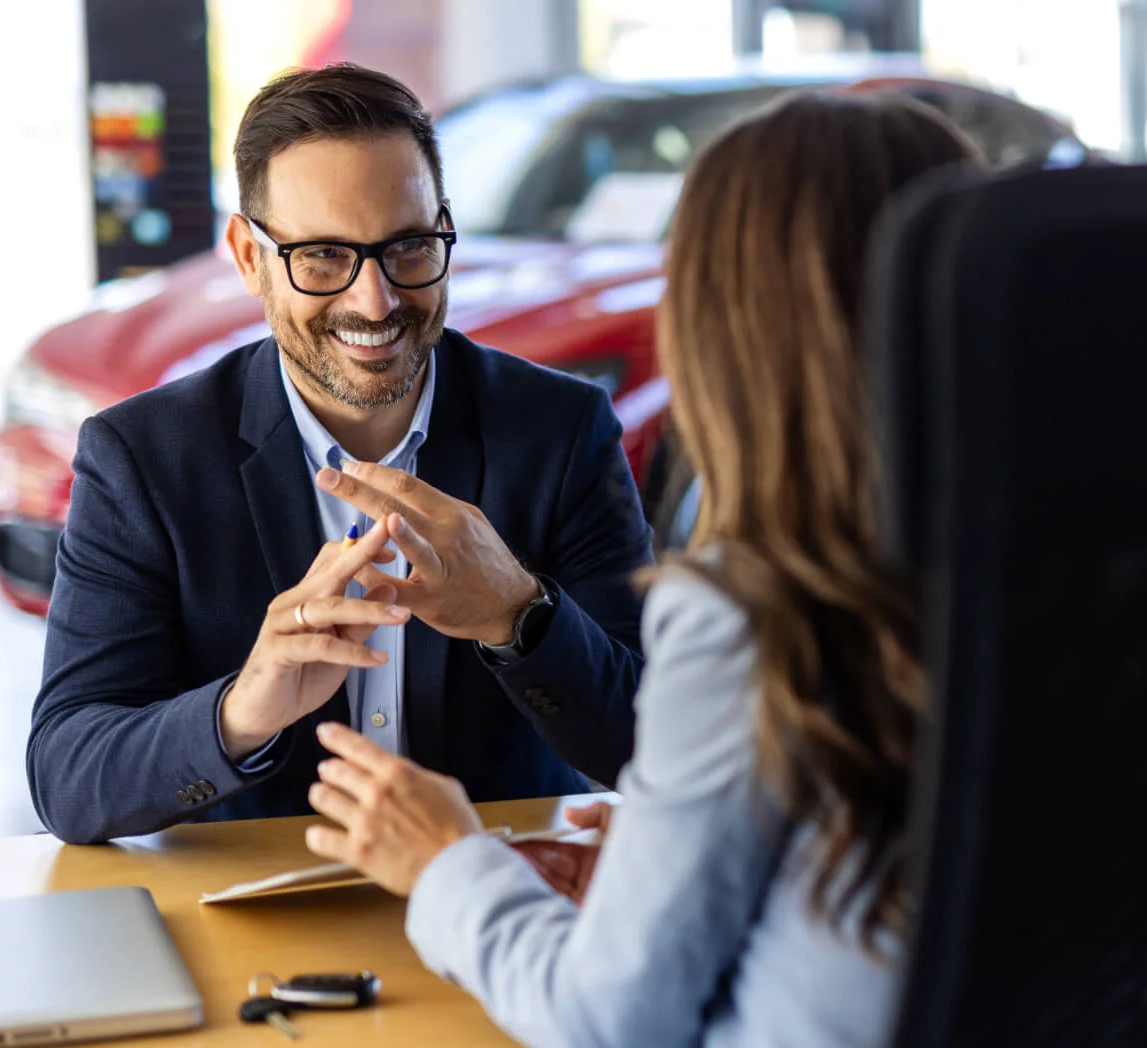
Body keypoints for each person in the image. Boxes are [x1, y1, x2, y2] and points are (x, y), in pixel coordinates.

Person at [300, 91, 983, 1046]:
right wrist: (674, 867)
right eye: (326, 255)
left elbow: (607, 1021)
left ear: (732, 335)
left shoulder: (750, 617)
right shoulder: (1114, 584)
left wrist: (449, 859)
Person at [26, 65, 652, 846]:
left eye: (409, 248)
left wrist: (518, 615)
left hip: (505, 906)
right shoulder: (143, 459)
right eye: (323, 257)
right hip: (255, 925)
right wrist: (241, 711)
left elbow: (653, 744)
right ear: (250, 259)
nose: (376, 301)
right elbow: (68, 775)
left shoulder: (560, 430)